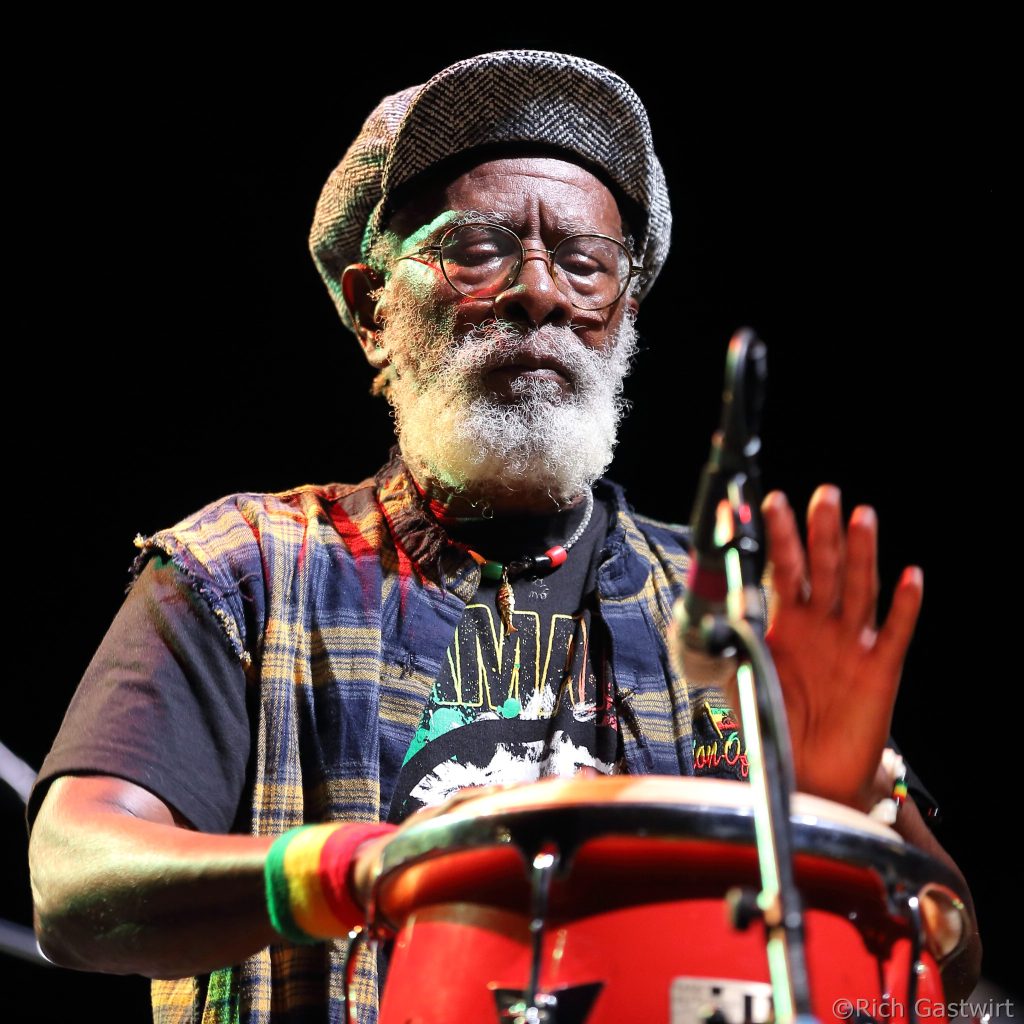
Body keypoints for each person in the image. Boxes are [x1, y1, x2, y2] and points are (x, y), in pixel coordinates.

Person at [27, 49, 980, 1023]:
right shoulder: (248, 570)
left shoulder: (728, 617)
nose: (541, 293)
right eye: (477, 250)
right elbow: (73, 879)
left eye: (584, 263)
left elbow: (947, 946)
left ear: (623, 315)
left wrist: (839, 819)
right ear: (371, 310)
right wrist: (351, 873)